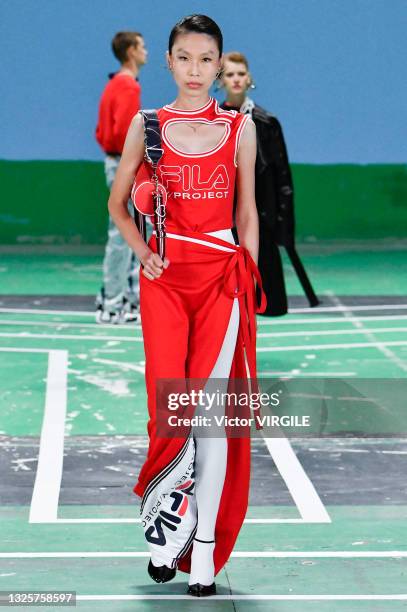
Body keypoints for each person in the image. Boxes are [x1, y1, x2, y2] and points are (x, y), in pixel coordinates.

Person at [108, 15, 266, 597]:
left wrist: (247, 278)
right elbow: (118, 204)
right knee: (168, 410)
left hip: (223, 279)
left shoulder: (238, 128)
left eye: (208, 60)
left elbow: (247, 212)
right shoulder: (147, 126)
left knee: (210, 418)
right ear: (170, 62)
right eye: (186, 58)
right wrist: (142, 251)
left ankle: (202, 552)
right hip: (165, 283)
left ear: (220, 66)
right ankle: (165, 532)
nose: (197, 70)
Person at [218, 51, 294, 316]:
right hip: (223, 217)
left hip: (261, 217)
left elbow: (282, 176)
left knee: (260, 292)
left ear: (249, 78)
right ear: (221, 80)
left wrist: (284, 224)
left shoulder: (266, 122)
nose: (236, 79)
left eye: (240, 74)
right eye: (230, 74)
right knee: (224, 294)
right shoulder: (214, 122)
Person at [95, 31, 148, 323]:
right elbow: (120, 134)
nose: (146, 52)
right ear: (130, 51)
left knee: (131, 233)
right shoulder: (128, 87)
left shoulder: (114, 84)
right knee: (123, 235)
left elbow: (101, 133)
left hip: (116, 164)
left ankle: (123, 300)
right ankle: (114, 303)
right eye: (142, 47)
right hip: (123, 166)